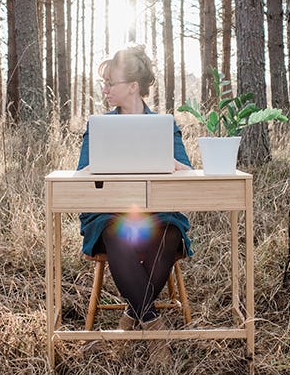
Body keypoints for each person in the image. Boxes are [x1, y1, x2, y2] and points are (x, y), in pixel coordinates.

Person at [76, 44, 192, 364]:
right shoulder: (98, 126)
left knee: (170, 233)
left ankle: (133, 314)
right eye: (105, 84)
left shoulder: (165, 125)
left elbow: (187, 170)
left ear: (132, 88)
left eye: (110, 83)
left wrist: (171, 163)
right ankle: (154, 329)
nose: (105, 89)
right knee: (116, 232)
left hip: (159, 213)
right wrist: (92, 167)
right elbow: (81, 175)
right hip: (111, 214)